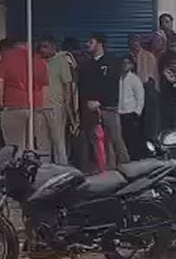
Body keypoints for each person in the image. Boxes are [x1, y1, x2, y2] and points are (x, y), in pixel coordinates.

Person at [78, 33, 127, 170]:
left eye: (91, 42)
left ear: (99, 44)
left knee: (115, 138)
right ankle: (106, 168)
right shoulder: (86, 64)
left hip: (109, 107)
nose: (88, 45)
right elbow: (84, 85)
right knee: (97, 140)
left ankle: (125, 165)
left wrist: (100, 101)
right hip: (91, 110)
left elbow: (111, 83)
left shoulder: (112, 61)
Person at [0, 36, 48, 151]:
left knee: (14, 148)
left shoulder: (7, 58)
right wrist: (40, 106)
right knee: (31, 147)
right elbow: (45, 87)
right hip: (35, 109)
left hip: (13, 107)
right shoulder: (40, 60)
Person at [38, 36, 76, 166]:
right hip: (40, 106)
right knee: (42, 141)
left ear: (53, 47)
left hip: (56, 106)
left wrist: (67, 104)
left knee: (58, 139)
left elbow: (67, 84)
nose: (42, 50)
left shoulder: (61, 61)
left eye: (45, 47)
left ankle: (62, 166)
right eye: (41, 47)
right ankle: (45, 167)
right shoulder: (39, 62)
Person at [118, 55, 147, 160]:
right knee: (122, 136)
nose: (125, 65)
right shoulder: (118, 78)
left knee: (132, 137)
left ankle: (135, 156)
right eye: (123, 63)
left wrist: (137, 111)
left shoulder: (134, 79)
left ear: (132, 65)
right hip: (119, 111)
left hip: (131, 112)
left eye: (128, 63)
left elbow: (140, 97)